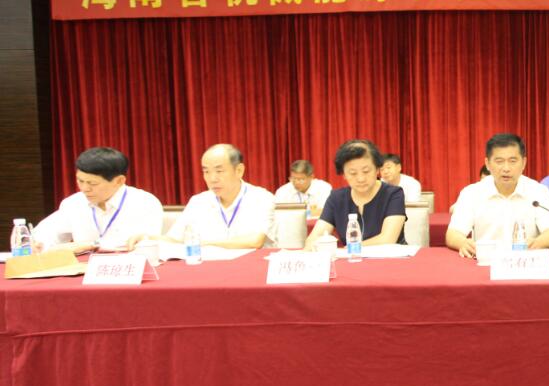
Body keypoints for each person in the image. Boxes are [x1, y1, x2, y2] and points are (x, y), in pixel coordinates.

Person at [139, 144, 276, 249]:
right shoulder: (198, 201)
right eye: (206, 172)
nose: (212, 179)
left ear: (239, 170)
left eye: (219, 171)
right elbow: (175, 239)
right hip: (207, 270)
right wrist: (146, 238)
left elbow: (254, 241)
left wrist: (204, 244)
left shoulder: (261, 198)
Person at [446, 133, 549, 258]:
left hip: (525, 261)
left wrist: (536, 243)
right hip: (486, 262)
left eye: (513, 161)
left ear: (524, 163)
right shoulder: (471, 193)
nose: (506, 168)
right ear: (487, 164)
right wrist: (463, 243)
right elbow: (453, 233)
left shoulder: (538, 191)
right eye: (499, 161)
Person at [33, 146, 163, 253]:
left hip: (129, 269)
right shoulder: (73, 203)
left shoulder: (145, 202)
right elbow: (44, 235)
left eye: (93, 183)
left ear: (119, 181)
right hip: (83, 271)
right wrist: (39, 244)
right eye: (80, 181)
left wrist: (90, 245)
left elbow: (144, 243)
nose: (84, 188)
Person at [305, 139, 406, 248]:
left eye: (366, 171)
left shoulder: (393, 194)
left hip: (390, 258)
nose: (361, 179)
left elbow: (387, 239)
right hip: (349, 258)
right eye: (353, 173)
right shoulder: (337, 198)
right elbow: (316, 236)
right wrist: (311, 246)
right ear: (344, 174)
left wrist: (348, 250)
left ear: (377, 169)